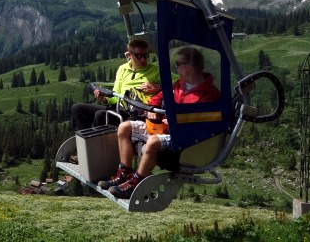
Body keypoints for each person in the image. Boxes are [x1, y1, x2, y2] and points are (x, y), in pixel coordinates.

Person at [100, 46, 220, 199]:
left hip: (183, 139)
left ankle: (136, 184)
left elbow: (204, 123)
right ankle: (124, 173)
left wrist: (174, 121)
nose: (176, 67)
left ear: (189, 67)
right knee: (125, 127)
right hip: (164, 128)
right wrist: (152, 108)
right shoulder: (179, 85)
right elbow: (160, 96)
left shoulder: (209, 94)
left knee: (152, 142)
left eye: (178, 64)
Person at [70, 37, 161, 131]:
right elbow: (116, 95)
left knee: (101, 115)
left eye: (145, 55)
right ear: (129, 55)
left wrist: (158, 87)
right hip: (119, 106)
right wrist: (105, 100)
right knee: (77, 109)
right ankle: (85, 137)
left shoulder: (155, 71)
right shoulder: (123, 69)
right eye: (139, 56)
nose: (143, 59)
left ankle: (98, 139)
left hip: (134, 111)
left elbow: (172, 86)